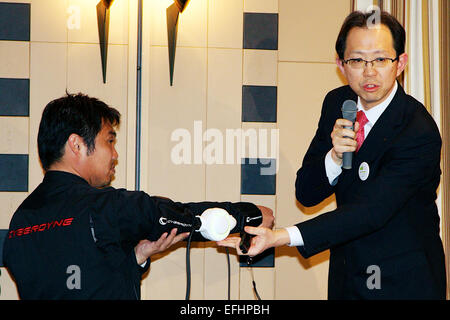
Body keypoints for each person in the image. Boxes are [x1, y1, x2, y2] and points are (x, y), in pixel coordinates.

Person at [219, 11, 446, 299]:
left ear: (400, 63)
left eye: (380, 59)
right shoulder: (338, 103)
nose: (369, 71)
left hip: (402, 283)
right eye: (357, 60)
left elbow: (371, 212)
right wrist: (334, 158)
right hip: (347, 278)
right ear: (341, 64)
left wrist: (280, 236)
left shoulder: (417, 129)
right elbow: (307, 192)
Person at [2, 93, 274, 300]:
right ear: (77, 144)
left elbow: (77, 278)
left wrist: (136, 257)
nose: (115, 155)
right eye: (109, 141)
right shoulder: (104, 207)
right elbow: (174, 215)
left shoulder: (20, 222)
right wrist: (248, 216)